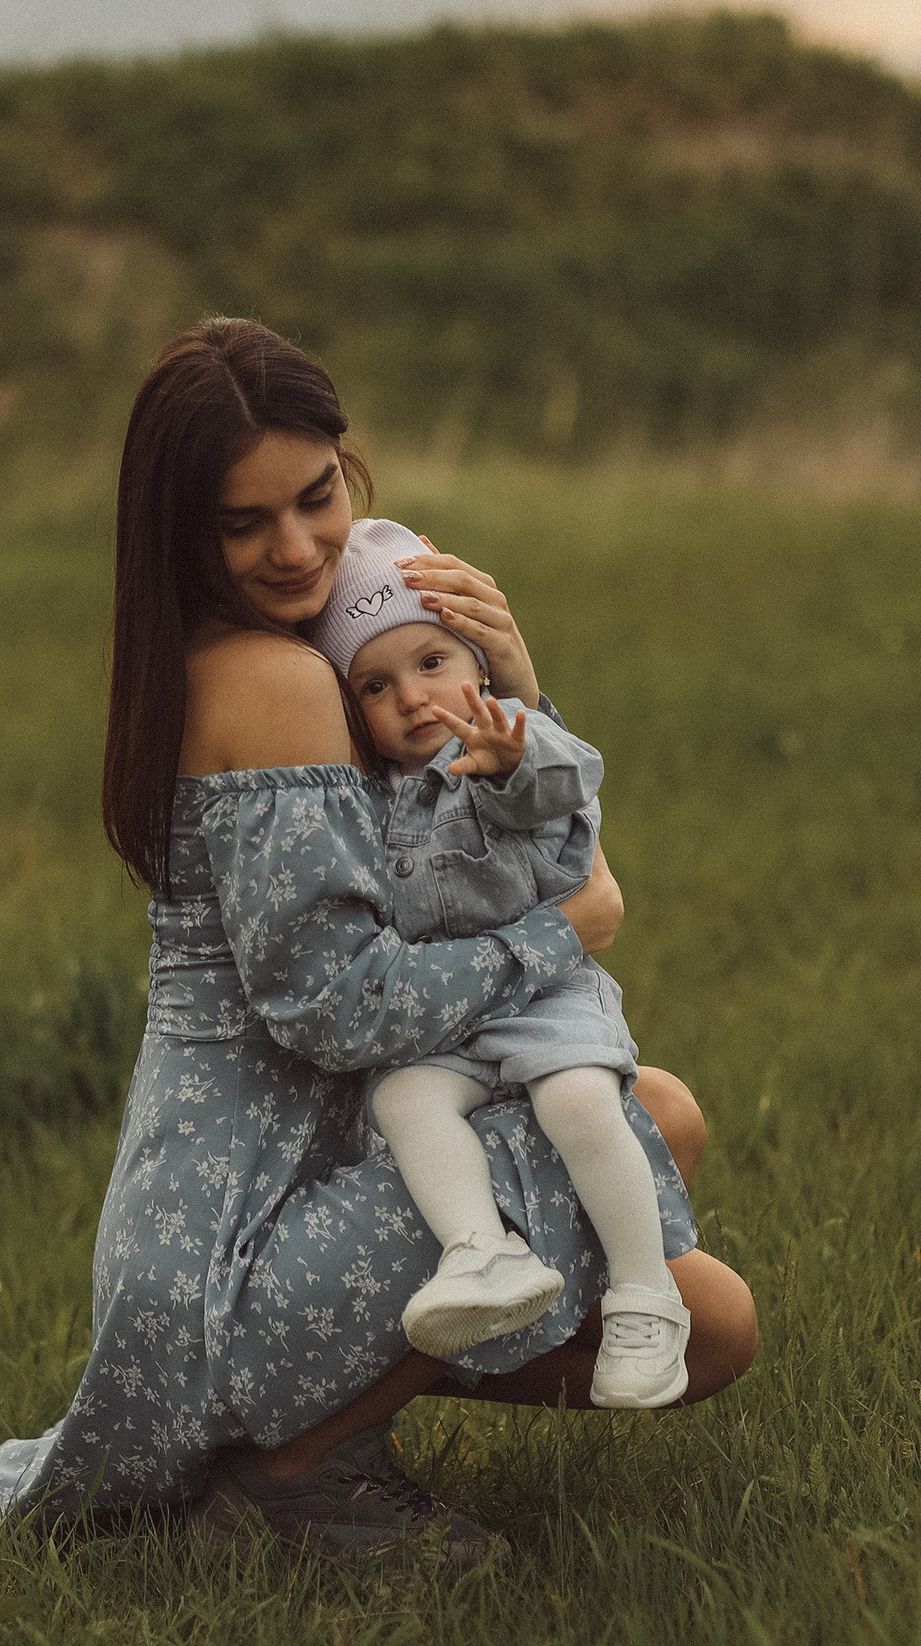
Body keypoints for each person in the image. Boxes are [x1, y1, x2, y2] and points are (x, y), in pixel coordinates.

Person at [0, 318, 755, 1564]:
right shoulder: (273, 682)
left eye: (315, 498)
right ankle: (287, 1478)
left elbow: (483, 853)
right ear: (180, 533)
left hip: (300, 1180)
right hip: (226, 1263)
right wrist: (560, 936)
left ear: (347, 469)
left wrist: (517, 690)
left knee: (693, 1257)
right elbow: (337, 1011)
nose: (296, 546)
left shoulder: (316, 654)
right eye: (242, 523)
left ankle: (315, 1442)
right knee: (673, 1194)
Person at [307, 517, 689, 1409]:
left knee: (580, 1098)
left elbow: (565, 788)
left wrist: (514, 756)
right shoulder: (363, 792)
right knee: (403, 1098)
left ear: (478, 664)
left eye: (433, 662)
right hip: (449, 1013)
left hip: (546, 994)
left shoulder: (508, 742)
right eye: (376, 682)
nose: (412, 696)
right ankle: (483, 1252)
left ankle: (646, 1294)